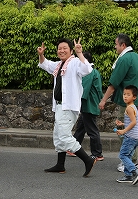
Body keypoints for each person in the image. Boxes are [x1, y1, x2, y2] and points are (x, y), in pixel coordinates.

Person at [37, 38, 96, 177]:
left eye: (64, 48)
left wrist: (80, 52)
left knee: (64, 136)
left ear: (70, 50)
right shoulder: (59, 65)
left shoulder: (75, 62)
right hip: (59, 106)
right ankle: (60, 165)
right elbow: (45, 64)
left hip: (68, 106)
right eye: (59, 48)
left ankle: (88, 160)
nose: (61, 50)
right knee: (58, 136)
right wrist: (41, 54)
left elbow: (87, 69)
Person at [98, 33, 138, 172]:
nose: (115, 47)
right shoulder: (137, 57)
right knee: (132, 130)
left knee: (123, 131)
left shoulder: (124, 59)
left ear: (123, 45)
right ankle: (132, 160)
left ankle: (129, 161)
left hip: (126, 102)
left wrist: (104, 99)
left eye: (116, 44)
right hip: (135, 100)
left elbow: (114, 83)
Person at [70, 51, 104, 161]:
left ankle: (97, 153)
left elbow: (83, 90)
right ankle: (73, 148)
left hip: (88, 104)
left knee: (92, 130)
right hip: (90, 104)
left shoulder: (88, 73)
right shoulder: (94, 72)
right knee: (81, 127)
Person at [115, 85, 138, 185]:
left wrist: (124, 131)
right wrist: (122, 124)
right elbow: (133, 121)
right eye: (124, 94)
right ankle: (128, 176)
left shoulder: (129, 108)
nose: (125, 96)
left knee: (122, 155)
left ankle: (135, 171)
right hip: (136, 137)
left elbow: (134, 122)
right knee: (128, 156)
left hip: (130, 137)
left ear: (134, 97)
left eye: (128, 95)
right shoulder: (132, 107)